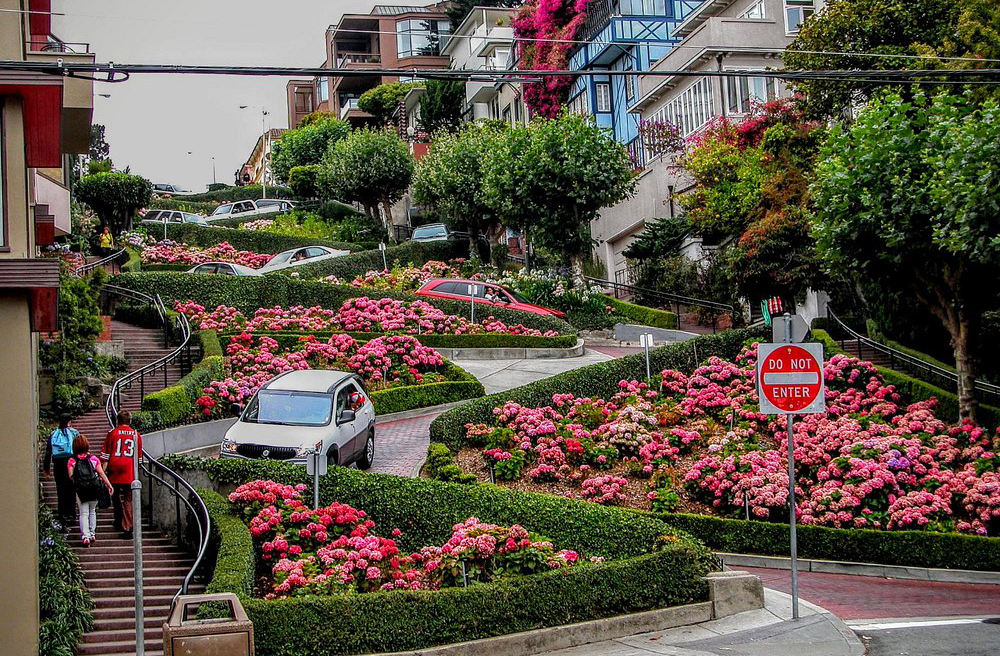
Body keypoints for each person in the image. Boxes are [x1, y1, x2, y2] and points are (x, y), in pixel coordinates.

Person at [101, 410, 142, 539]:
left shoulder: (112, 433)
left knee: (116, 495)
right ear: (129, 421)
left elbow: (105, 456)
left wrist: (102, 474)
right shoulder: (136, 435)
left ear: (117, 421)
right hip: (129, 471)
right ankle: (128, 526)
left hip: (114, 470)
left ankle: (118, 519)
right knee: (128, 499)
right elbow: (139, 459)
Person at [67, 434, 113, 546]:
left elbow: (71, 476)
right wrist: (109, 485)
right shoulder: (93, 459)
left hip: (81, 489)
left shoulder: (71, 460)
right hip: (94, 488)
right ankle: (92, 533)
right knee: (92, 511)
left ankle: (85, 536)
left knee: (83, 513)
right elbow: (101, 473)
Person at [43, 414, 79, 527]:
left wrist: (46, 468)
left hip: (58, 465)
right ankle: (72, 514)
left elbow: (48, 452)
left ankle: (62, 515)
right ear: (69, 421)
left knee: (60, 490)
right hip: (71, 464)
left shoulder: (53, 434)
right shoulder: (74, 433)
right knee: (72, 490)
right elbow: (80, 448)